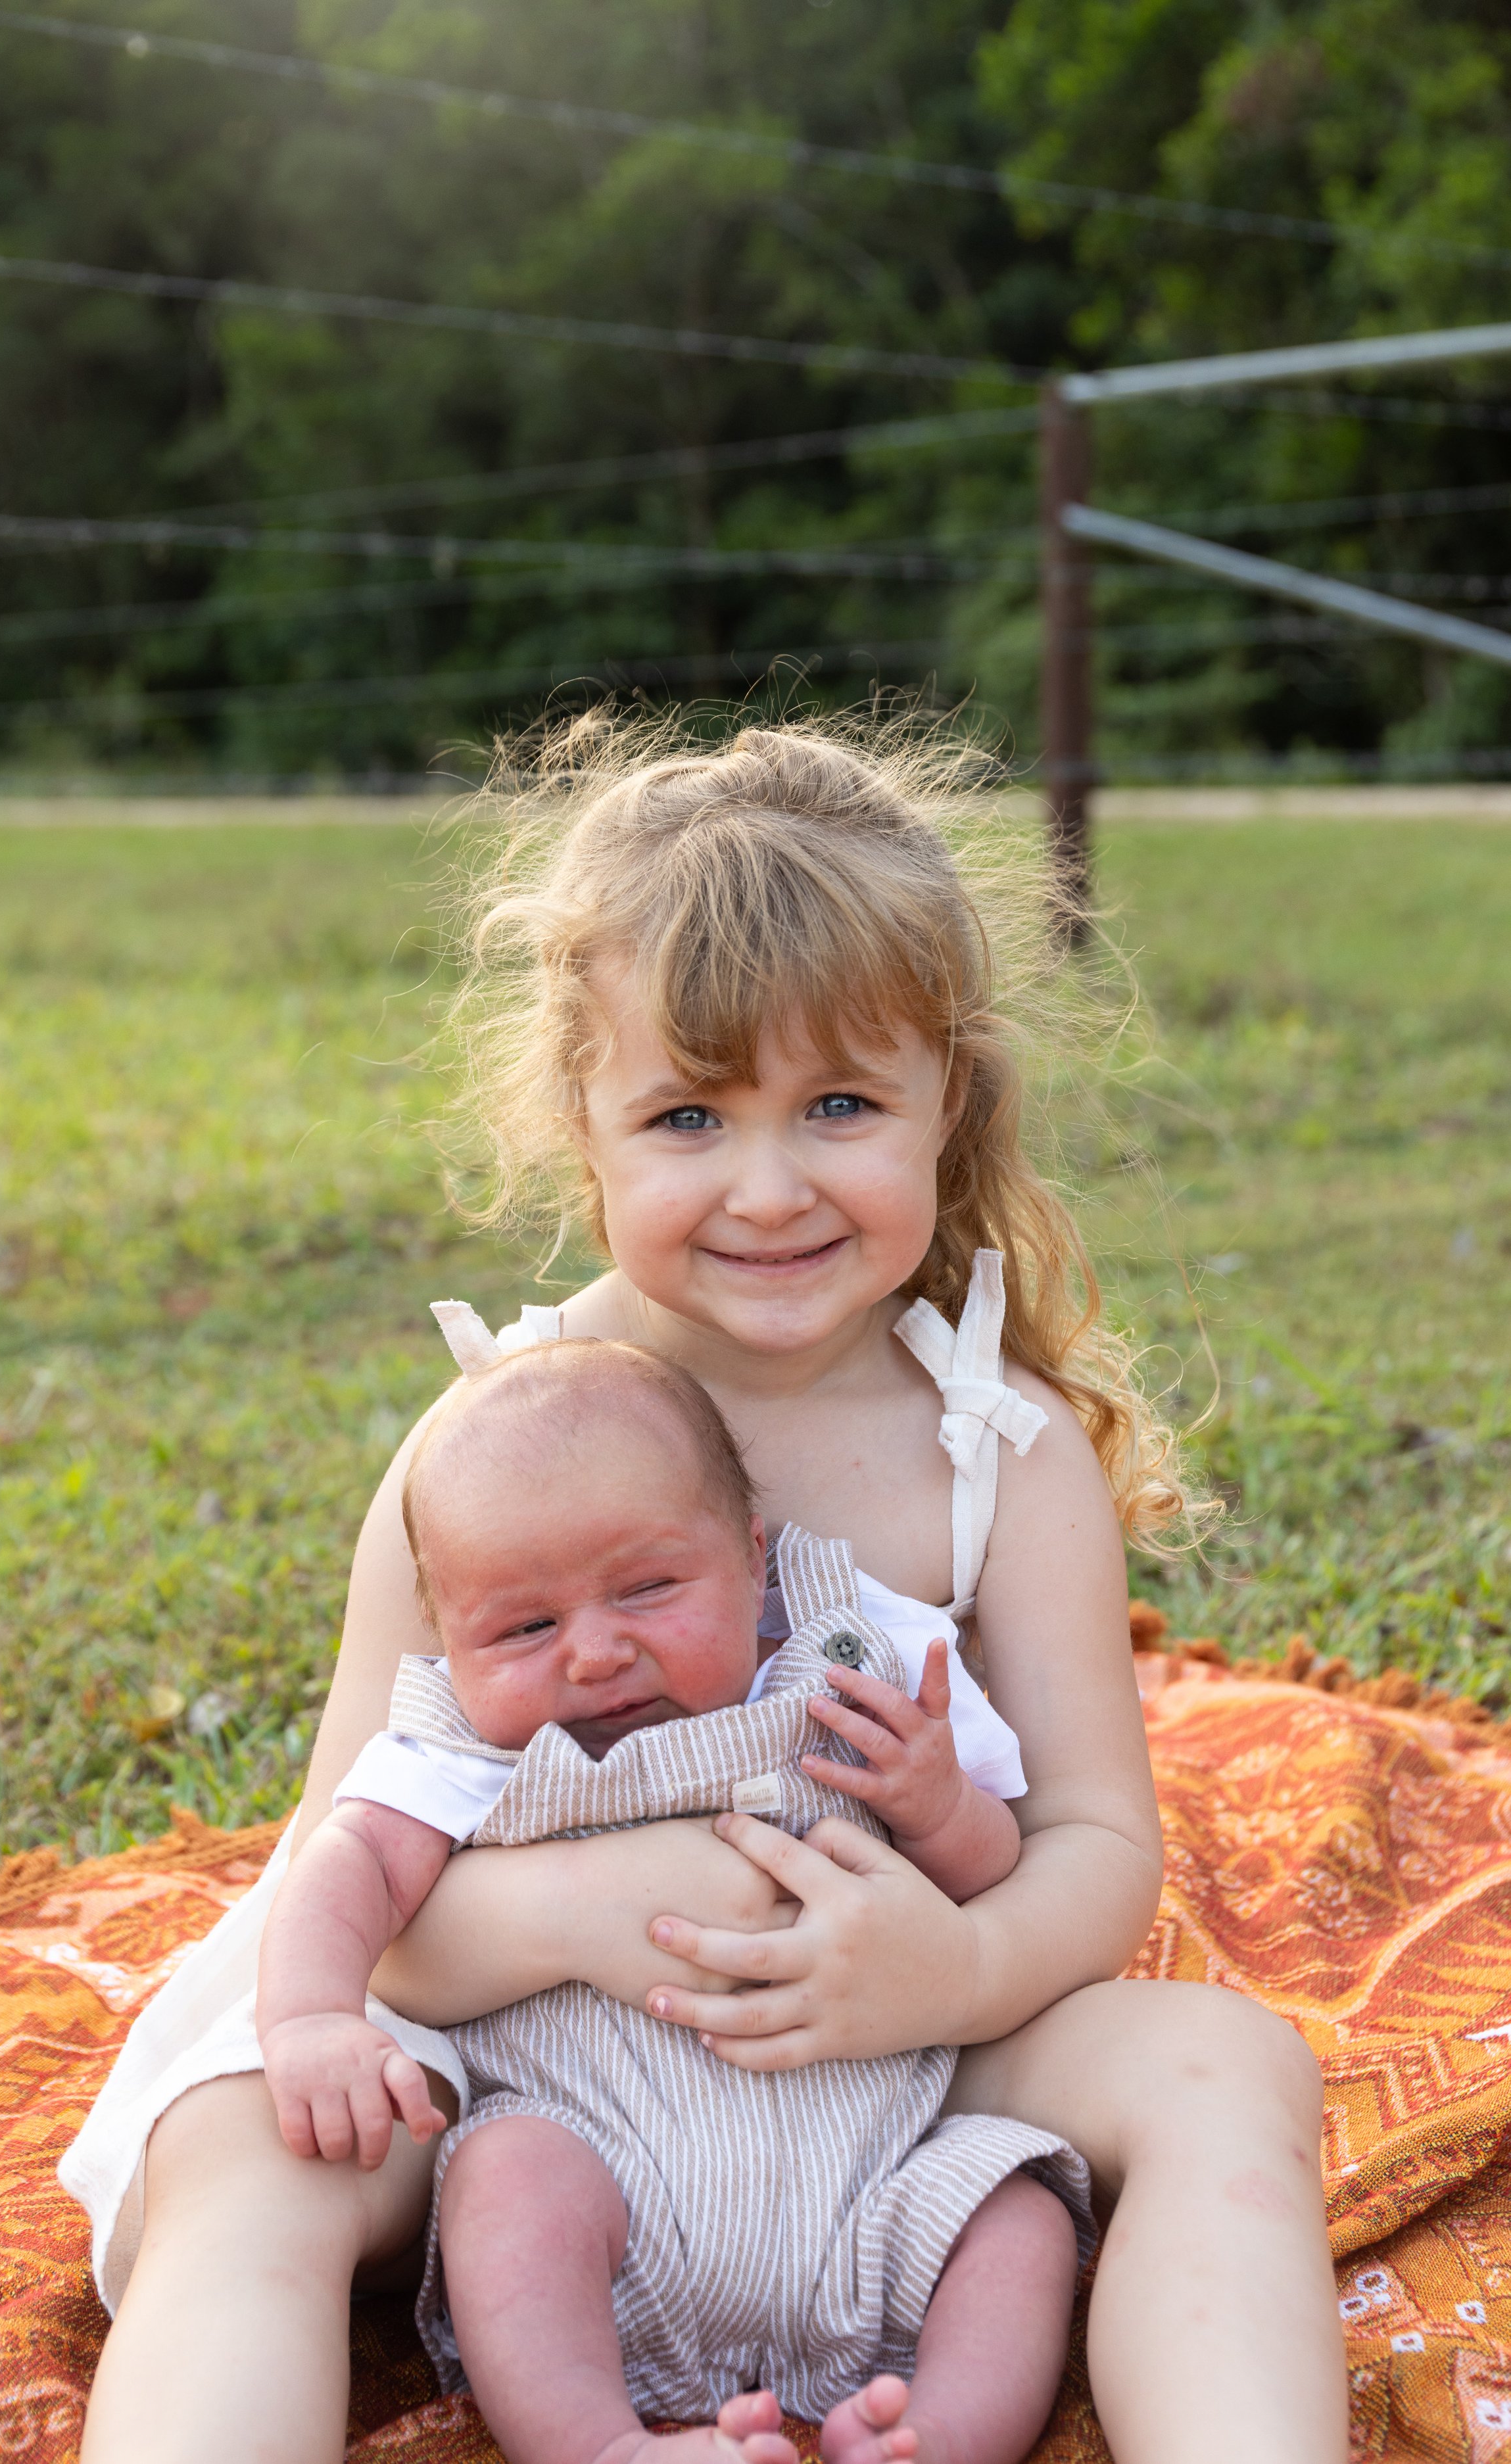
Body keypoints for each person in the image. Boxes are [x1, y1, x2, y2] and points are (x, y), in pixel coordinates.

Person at [67, 717, 1345, 2464]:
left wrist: (948, 1965)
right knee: (252, 2156)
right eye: (687, 1112)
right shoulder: (494, 1446)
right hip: (517, 2056)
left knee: (1228, 2067)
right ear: (578, 1121)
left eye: (836, 1104)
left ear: (943, 1100)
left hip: (888, 2040)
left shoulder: (996, 1453)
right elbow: (348, 1867)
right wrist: (606, 1913)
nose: (767, 1184)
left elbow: (1101, 1854)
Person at [257, 1335, 1087, 2464]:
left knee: (1018, 2211)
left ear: (757, 1562)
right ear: (448, 1643)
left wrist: (939, 1807)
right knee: (505, 2179)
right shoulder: (461, 1748)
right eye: (524, 1628)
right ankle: (606, 2445)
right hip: (609, 2198)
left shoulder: (860, 1667)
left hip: (876, 2185)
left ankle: (937, 2435)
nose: (595, 1654)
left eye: (650, 1589)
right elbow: (344, 1862)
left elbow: (992, 1875)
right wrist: (310, 2017)